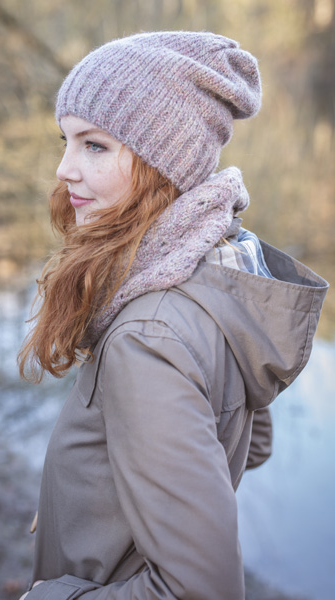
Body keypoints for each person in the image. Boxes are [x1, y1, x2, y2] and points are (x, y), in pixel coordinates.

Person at [17, 31, 328, 599]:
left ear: (164, 163)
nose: (63, 168)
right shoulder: (216, 268)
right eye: (66, 141)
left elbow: (200, 590)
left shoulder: (148, 334)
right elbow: (249, 441)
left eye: (94, 145)